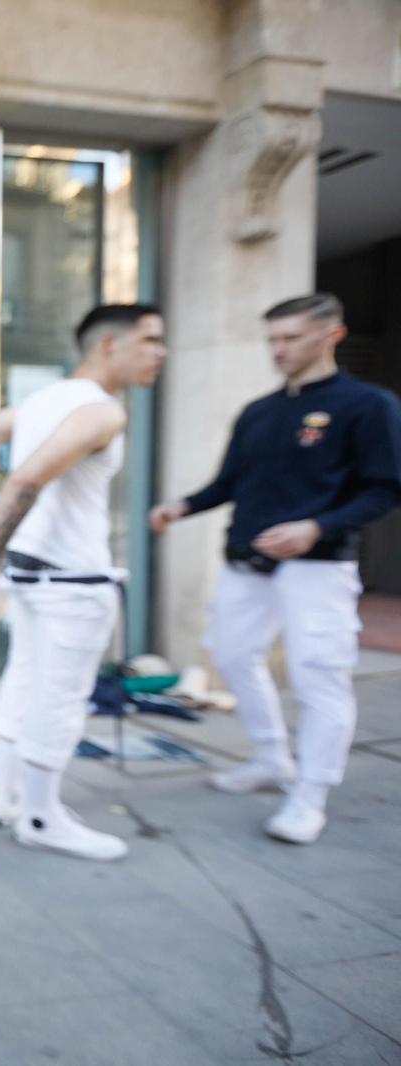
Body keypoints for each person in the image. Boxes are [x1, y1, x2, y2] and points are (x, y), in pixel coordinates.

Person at [150, 293, 401, 845]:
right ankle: (271, 758)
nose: (278, 349)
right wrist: (182, 506)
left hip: (317, 565)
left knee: (320, 674)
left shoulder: (367, 404)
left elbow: (386, 487)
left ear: (332, 334)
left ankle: (311, 793)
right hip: (246, 561)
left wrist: (317, 526)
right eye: (272, 339)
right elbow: (228, 483)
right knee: (233, 655)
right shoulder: (258, 411)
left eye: (290, 337)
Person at [0, 304, 168, 861]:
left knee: (23, 680)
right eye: (150, 340)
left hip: (31, 576)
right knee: (61, 698)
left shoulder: (44, 402)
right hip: (72, 582)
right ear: (108, 345)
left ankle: (7, 797)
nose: (161, 353)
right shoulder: (102, 411)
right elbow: (25, 478)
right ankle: (43, 817)